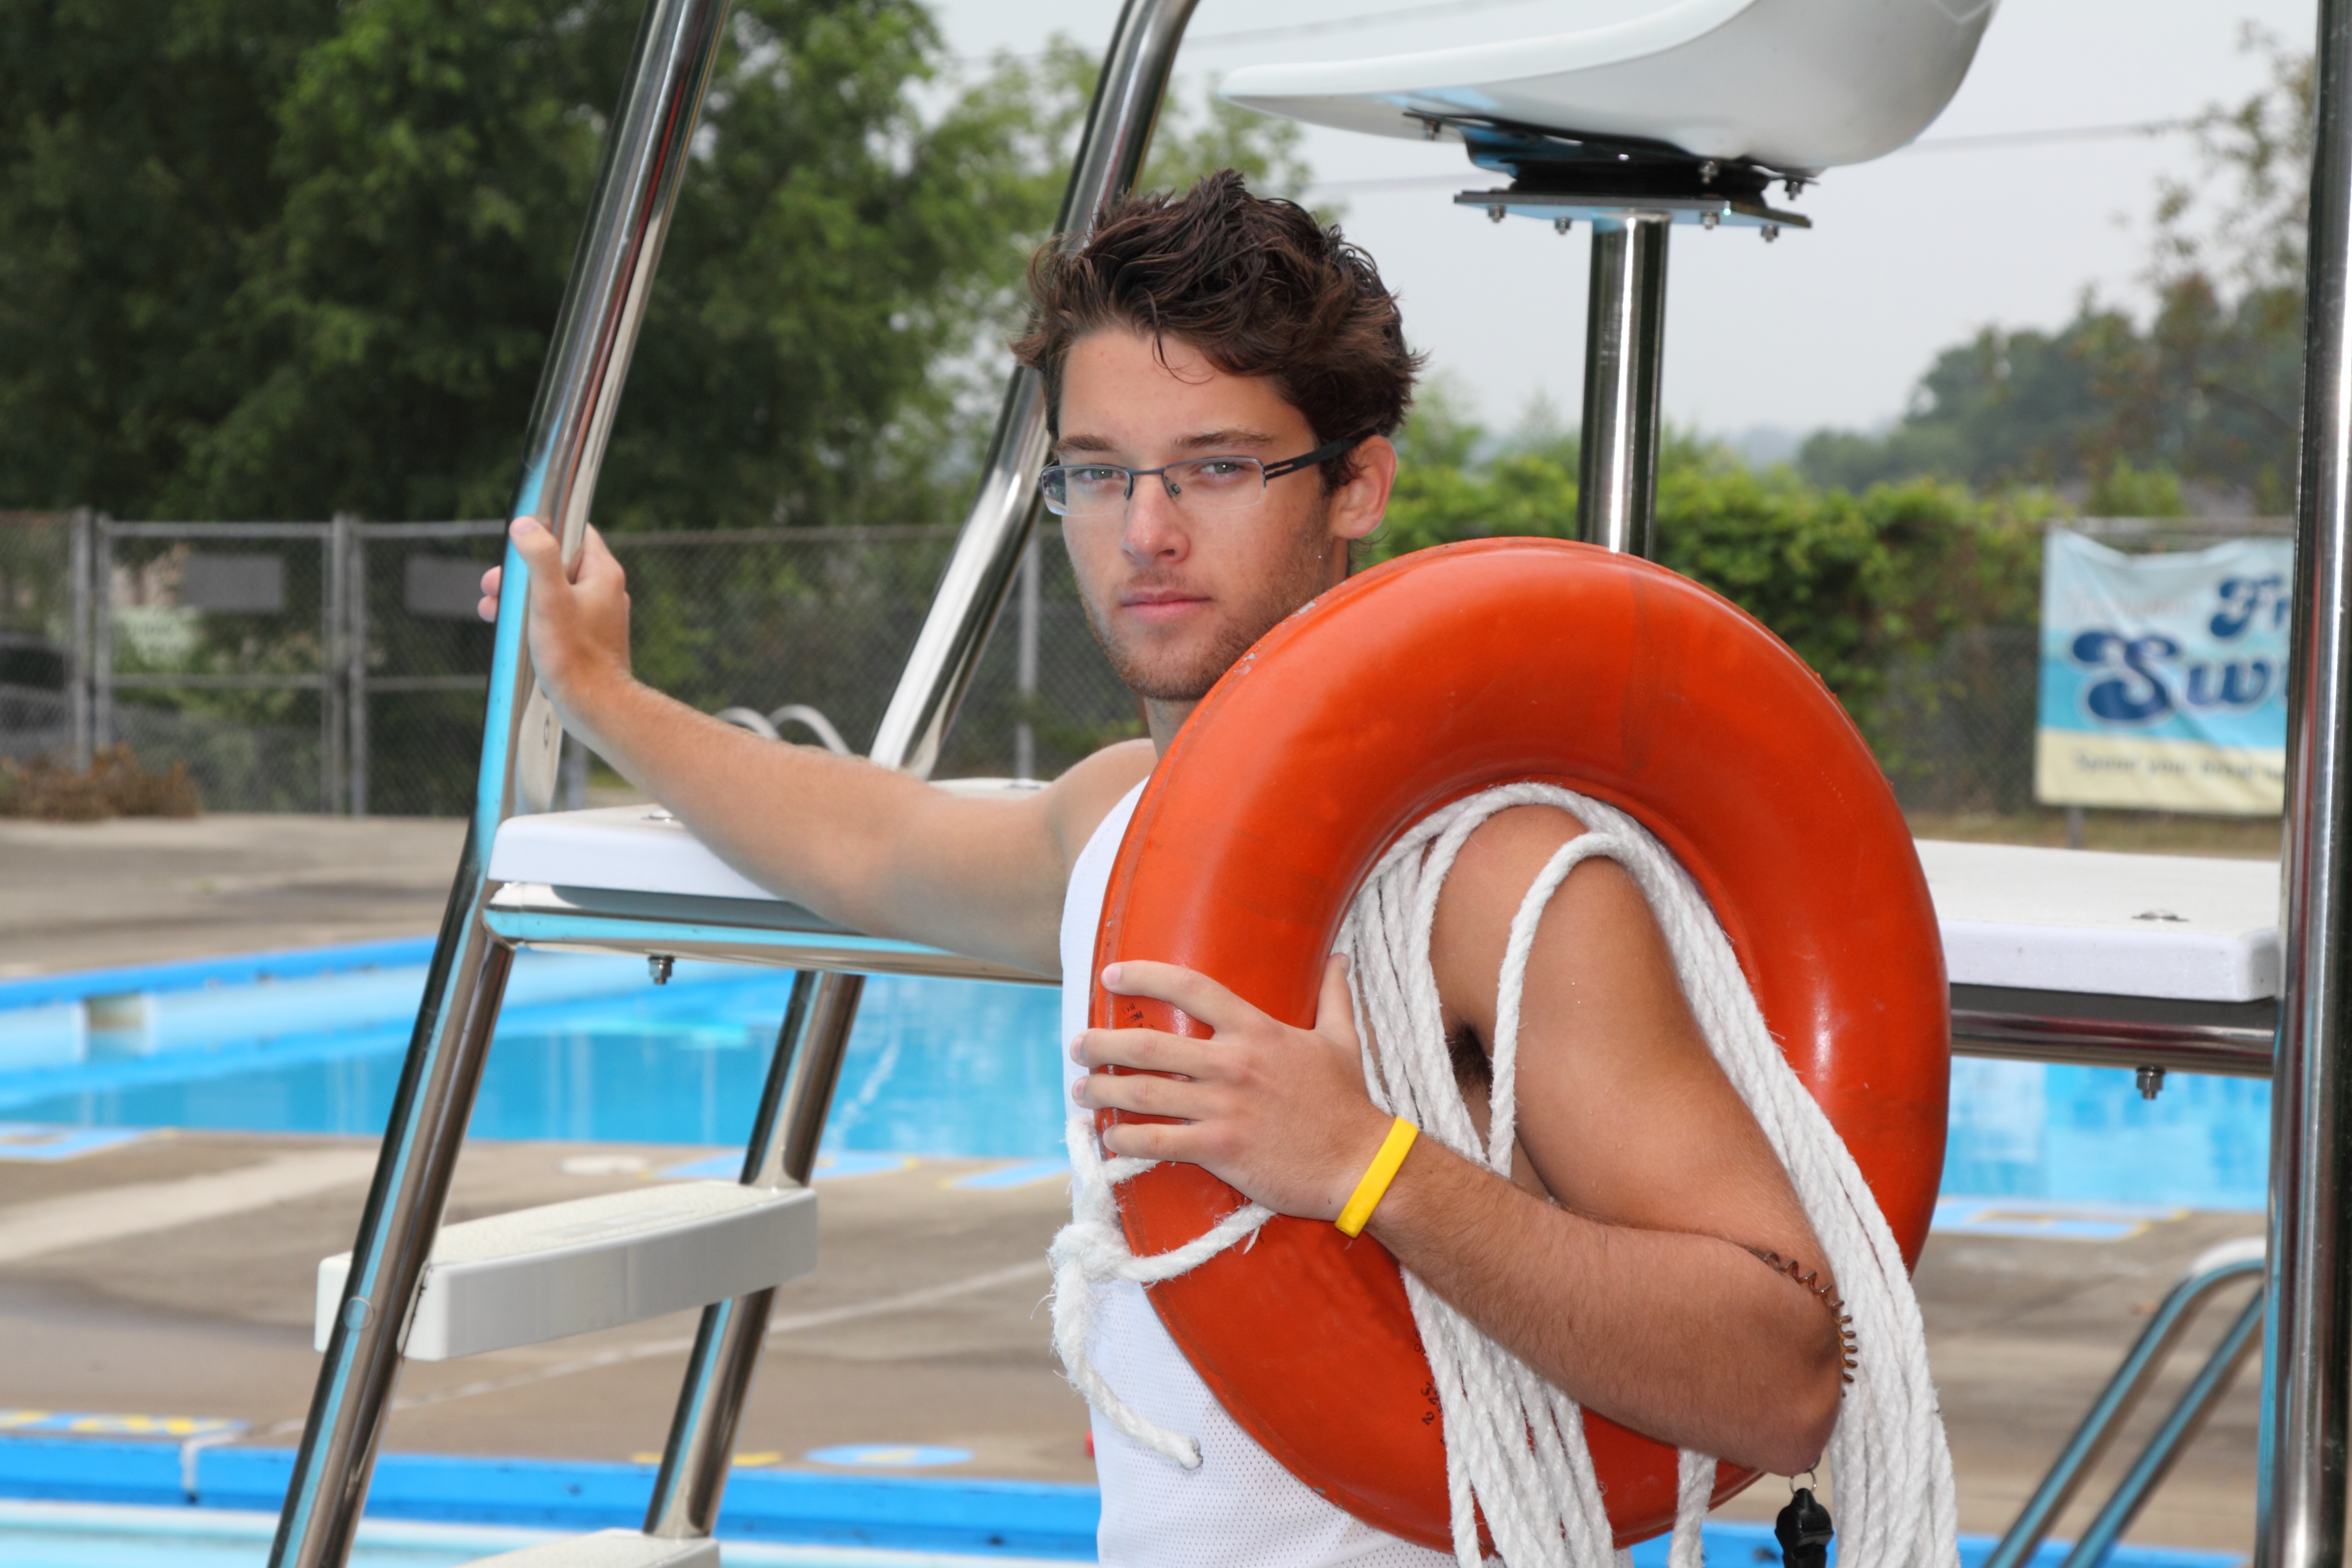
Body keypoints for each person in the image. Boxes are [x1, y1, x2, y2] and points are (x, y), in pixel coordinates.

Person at [480, 170, 1845, 1565]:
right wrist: (601, 695)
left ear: (1355, 483)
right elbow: (874, 842)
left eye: (1216, 465)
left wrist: (1371, 1166)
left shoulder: (1491, 876)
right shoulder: (1116, 822)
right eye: (1098, 471)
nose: (1145, 532)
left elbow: (1785, 1371)